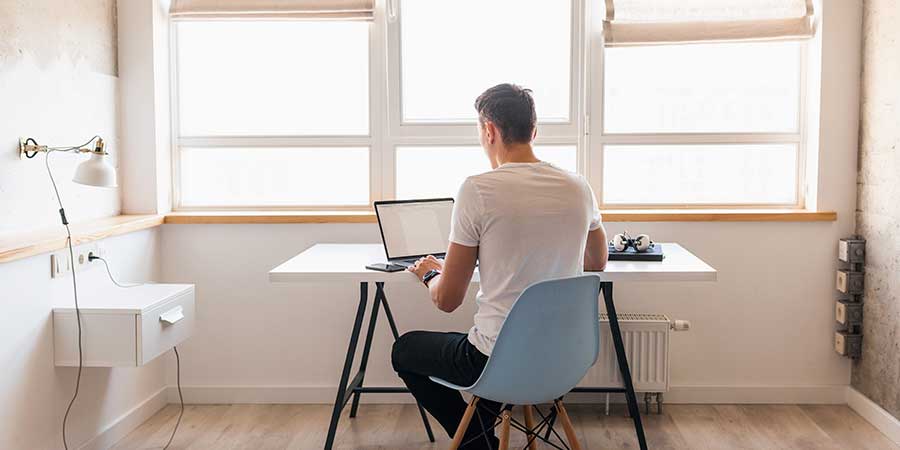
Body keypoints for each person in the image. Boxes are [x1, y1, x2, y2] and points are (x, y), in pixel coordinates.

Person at [391, 83, 608, 449]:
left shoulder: (477, 190)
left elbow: (447, 300)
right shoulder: (578, 186)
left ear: (489, 130)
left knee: (405, 350)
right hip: (563, 359)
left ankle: (476, 442)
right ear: (533, 131)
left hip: (495, 360)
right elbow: (596, 260)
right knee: (503, 350)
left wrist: (429, 272)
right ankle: (480, 435)